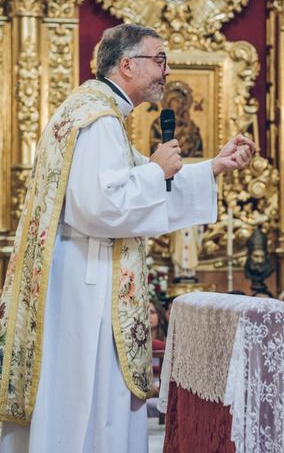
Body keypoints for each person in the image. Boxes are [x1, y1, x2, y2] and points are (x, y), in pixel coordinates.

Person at [0, 24, 256, 452]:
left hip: (87, 276)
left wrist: (214, 166)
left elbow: (143, 184)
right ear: (126, 64)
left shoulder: (99, 114)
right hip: (88, 285)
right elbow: (99, 207)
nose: (167, 71)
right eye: (160, 60)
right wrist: (156, 170)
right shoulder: (97, 119)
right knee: (90, 402)